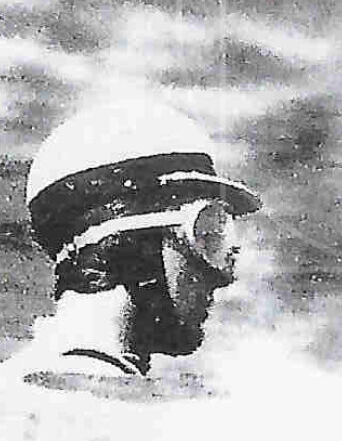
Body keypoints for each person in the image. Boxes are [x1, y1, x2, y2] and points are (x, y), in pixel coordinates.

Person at [14, 95, 261, 383]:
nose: (224, 276)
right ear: (133, 246)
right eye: (207, 236)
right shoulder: (105, 400)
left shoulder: (15, 380)